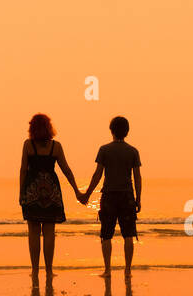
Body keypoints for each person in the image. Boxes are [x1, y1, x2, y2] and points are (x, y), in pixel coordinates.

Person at [19, 113, 84, 280]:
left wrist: (21, 192)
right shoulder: (56, 146)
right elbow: (66, 170)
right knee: (49, 232)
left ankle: (35, 270)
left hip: (32, 191)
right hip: (51, 192)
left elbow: (23, 170)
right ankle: (48, 270)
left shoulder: (28, 145)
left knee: (33, 231)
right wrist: (77, 190)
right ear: (49, 128)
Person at [81, 116, 142, 277]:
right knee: (128, 234)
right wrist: (139, 198)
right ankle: (127, 270)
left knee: (106, 234)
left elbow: (97, 175)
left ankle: (107, 270)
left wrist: (87, 194)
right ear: (127, 131)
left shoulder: (104, 150)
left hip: (109, 196)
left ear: (111, 130)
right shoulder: (132, 151)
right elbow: (137, 177)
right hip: (127, 196)